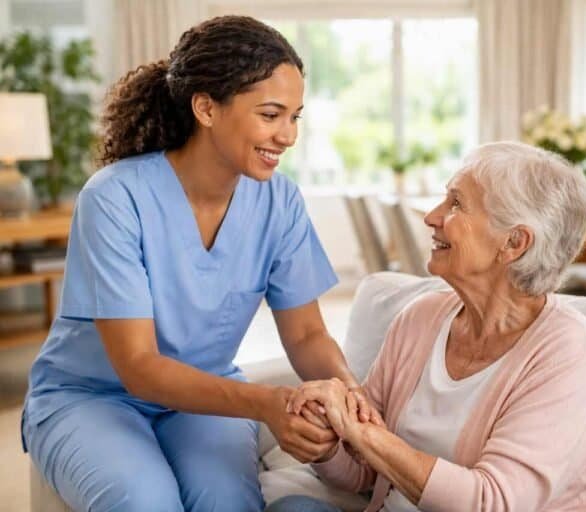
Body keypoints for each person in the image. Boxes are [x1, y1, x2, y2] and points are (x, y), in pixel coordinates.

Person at [21, 16, 376, 512]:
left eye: (295, 117)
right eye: (271, 114)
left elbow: (306, 336)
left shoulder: (280, 202)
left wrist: (355, 399)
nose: (288, 135)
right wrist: (267, 404)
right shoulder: (115, 198)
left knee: (226, 502)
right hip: (92, 397)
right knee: (144, 500)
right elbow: (140, 368)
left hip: (205, 398)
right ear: (206, 108)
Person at [273, 141, 586, 512]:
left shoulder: (568, 351)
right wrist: (326, 442)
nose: (432, 216)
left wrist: (361, 432)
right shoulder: (421, 318)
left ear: (514, 242)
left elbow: (492, 502)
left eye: (456, 204)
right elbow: (364, 471)